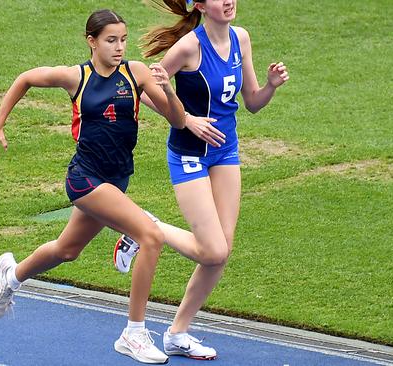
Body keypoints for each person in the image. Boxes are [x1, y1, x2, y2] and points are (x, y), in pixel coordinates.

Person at [0, 9, 210, 364]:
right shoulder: (77, 77)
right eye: (111, 40)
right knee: (151, 236)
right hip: (85, 178)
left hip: (117, 179)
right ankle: (134, 333)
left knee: (66, 250)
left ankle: (11, 278)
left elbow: (178, 121)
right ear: (92, 41)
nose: (119, 47)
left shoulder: (136, 73)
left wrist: (167, 90)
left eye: (123, 40)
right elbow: (25, 78)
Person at [113, 0, 289, 360]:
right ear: (201, 6)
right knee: (214, 250)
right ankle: (147, 227)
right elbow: (144, 89)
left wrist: (271, 86)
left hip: (226, 152)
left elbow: (252, 102)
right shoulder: (189, 46)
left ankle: (178, 333)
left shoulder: (241, 38)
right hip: (189, 154)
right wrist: (186, 119)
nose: (229, 2)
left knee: (221, 252)